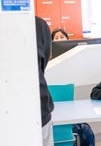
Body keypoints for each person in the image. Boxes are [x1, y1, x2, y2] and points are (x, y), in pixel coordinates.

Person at [36, 16, 55, 146]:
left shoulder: (38, 25)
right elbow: (43, 64)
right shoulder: (39, 25)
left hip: (40, 113)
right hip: (40, 107)